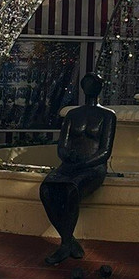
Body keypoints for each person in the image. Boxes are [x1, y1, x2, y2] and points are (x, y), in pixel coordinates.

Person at [39, 73, 116, 266]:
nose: (90, 87)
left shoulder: (108, 115)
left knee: (71, 190)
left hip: (93, 167)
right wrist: (68, 157)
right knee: (46, 190)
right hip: (70, 165)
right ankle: (68, 241)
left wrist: (83, 163)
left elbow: (105, 151)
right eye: (88, 83)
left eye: (94, 83)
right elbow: (62, 146)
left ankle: (65, 245)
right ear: (83, 87)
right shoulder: (73, 115)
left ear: (100, 87)